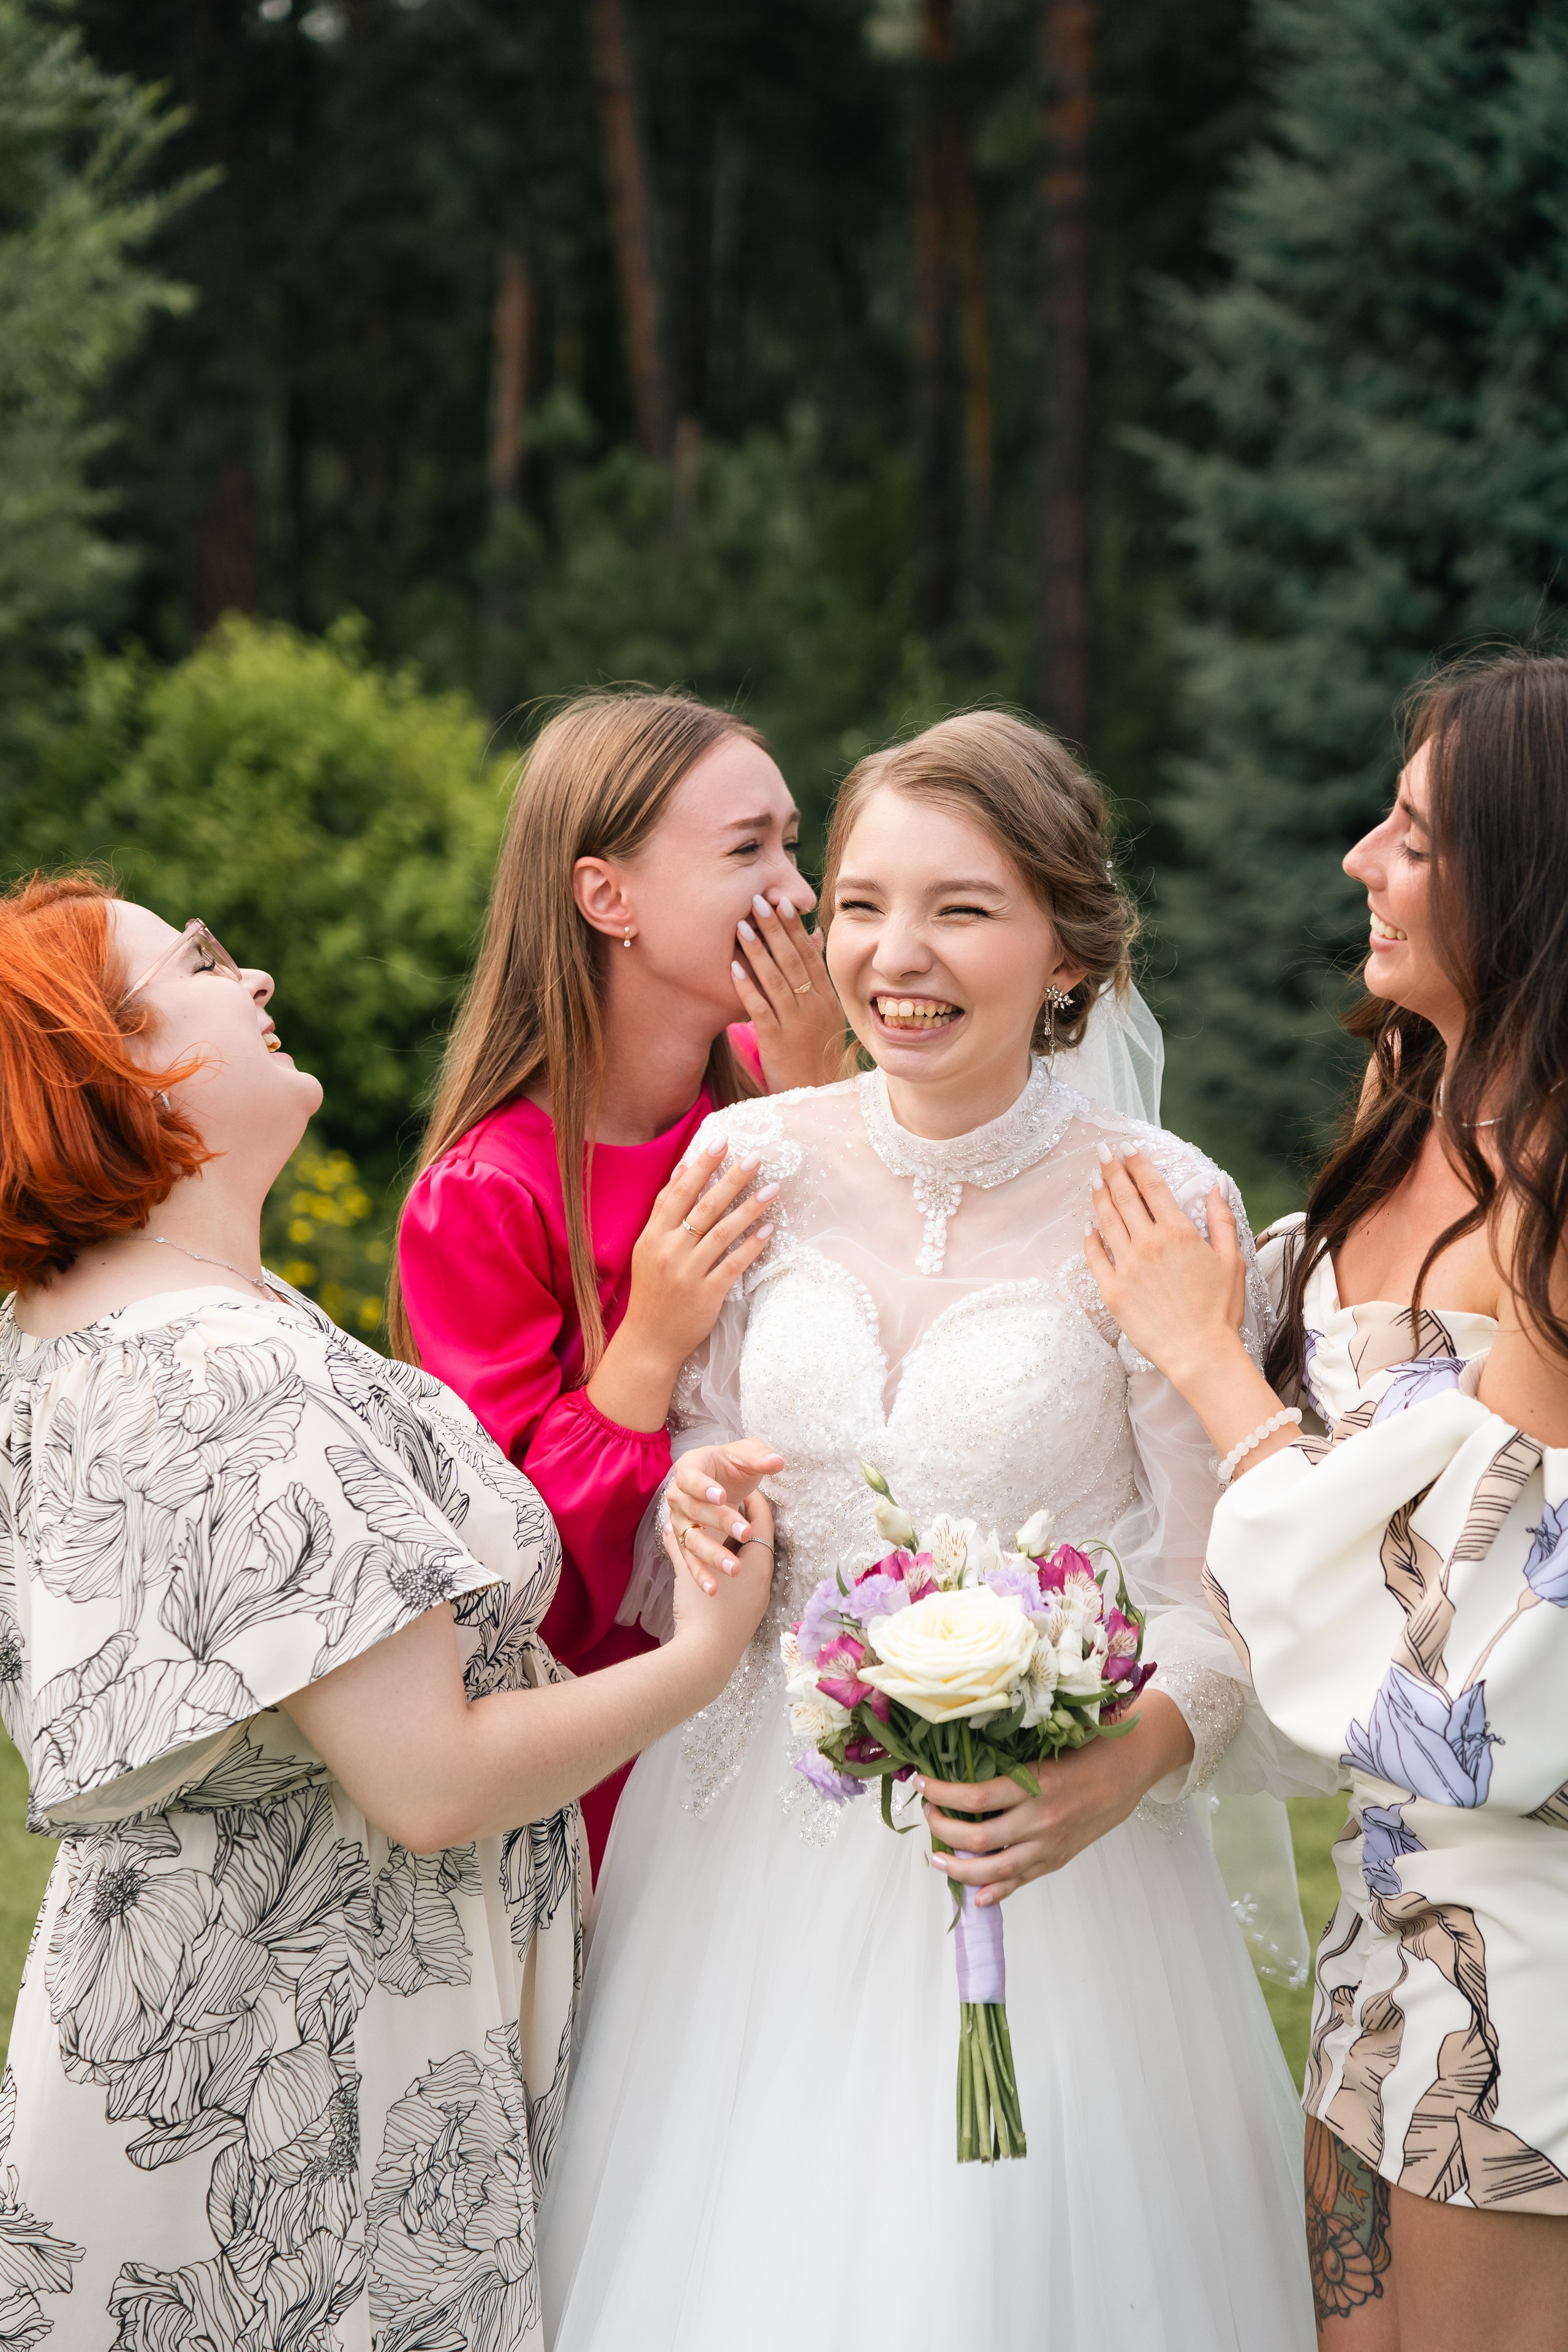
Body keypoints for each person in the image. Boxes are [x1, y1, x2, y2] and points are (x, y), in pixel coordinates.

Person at [540, 712, 1320, 2352]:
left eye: (962, 908)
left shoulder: (1161, 1203)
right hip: (744, 1854)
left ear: (1067, 954)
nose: (897, 955)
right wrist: (698, 1504)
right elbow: (683, 1472)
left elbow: (1218, 1592)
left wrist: (1117, 1764)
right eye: (860, 904)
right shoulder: (746, 1162)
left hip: (1046, 1866)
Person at [0, 876, 770, 2350]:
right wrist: (706, 1654)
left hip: (220, 2038)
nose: (259, 976)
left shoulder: (113, 1321)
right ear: (114, 1059)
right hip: (301, 2094)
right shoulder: (215, 1365)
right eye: (205, 965)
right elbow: (433, 1777)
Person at [1082, 649, 1568, 2351]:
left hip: (1523, 1945)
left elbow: (1473, 1674)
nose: (1361, 857)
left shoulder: (1558, 1192)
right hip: (1385, 1930)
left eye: (1416, 835)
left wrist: (1211, 1376)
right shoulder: (1412, 1103)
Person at [393, 690, 842, 1870]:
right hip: (623, 1778)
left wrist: (821, 1102)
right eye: (748, 849)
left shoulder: (783, 1085)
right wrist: (648, 1344)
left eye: (794, 843)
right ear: (608, 898)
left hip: (829, 1713)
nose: (798, 891)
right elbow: (510, 1582)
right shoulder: (485, 1193)